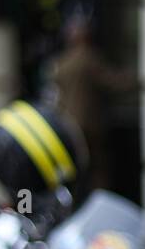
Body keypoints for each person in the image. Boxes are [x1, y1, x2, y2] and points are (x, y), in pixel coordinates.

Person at [49, 17, 136, 196]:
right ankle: (99, 200)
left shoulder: (61, 63)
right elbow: (113, 82)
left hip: (69, 125)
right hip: (90, 124)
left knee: (74, 167)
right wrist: (137, 78)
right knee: (98, 168)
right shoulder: (88, 59)